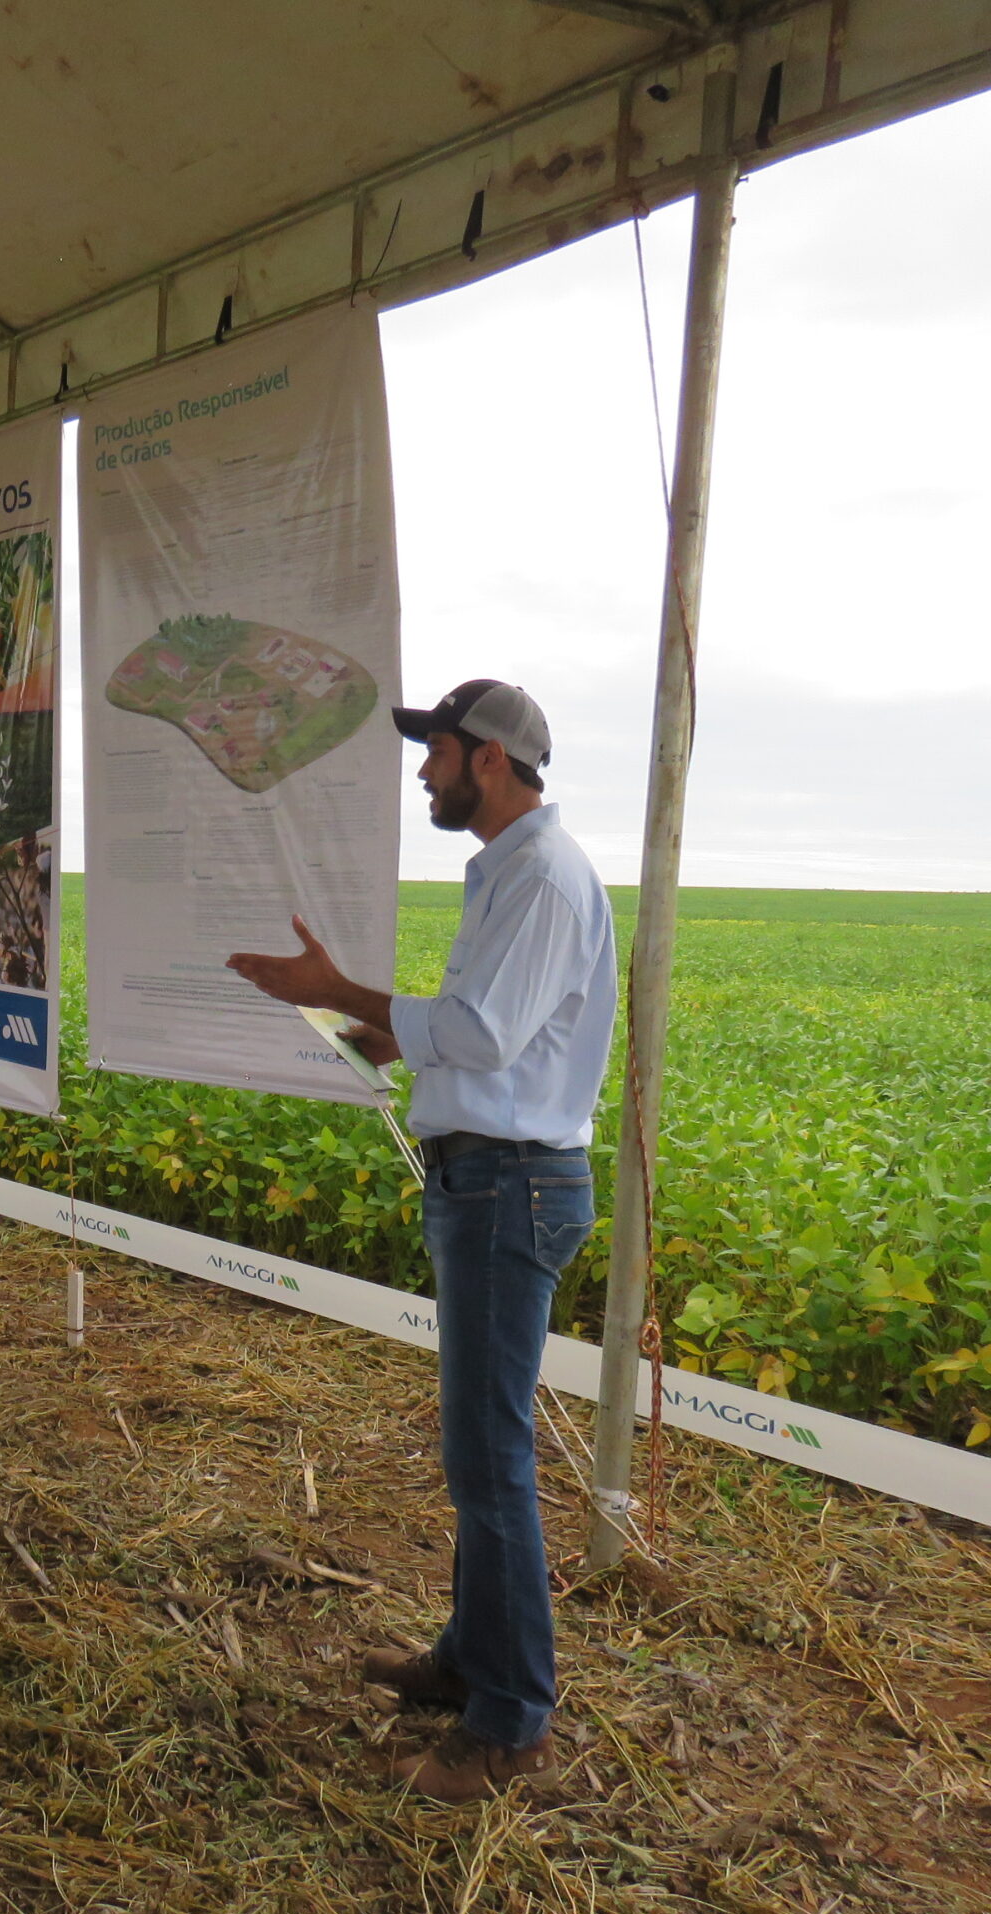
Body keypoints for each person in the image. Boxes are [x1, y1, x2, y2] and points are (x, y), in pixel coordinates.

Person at [225, 678, 617, 1804]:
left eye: (435, 751)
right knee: (474, 1456)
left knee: (489, 1462)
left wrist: (340, 990)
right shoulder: (512, 872)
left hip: (508, 1188)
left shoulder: (539, 876)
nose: (423, 771)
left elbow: (488, 1038)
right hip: (490, 1182)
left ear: (488, 758)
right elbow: (491, 1033)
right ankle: (468, 1661)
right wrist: (397, 1043)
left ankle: (510, 1727)